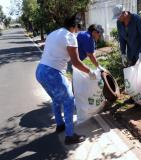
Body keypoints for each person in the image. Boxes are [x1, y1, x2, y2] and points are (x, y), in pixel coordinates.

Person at [35, 13, 96, 145]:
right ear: (74, 26)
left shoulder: (54, 33)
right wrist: (90, 72)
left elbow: (56, 53)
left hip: (40, 71)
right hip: (53, 73)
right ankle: (70, 135)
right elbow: (76, 62)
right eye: (78, 27)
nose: (78, 30)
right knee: (68, 100)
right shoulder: (70, 37)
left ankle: (60, 124)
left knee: (56, 98)